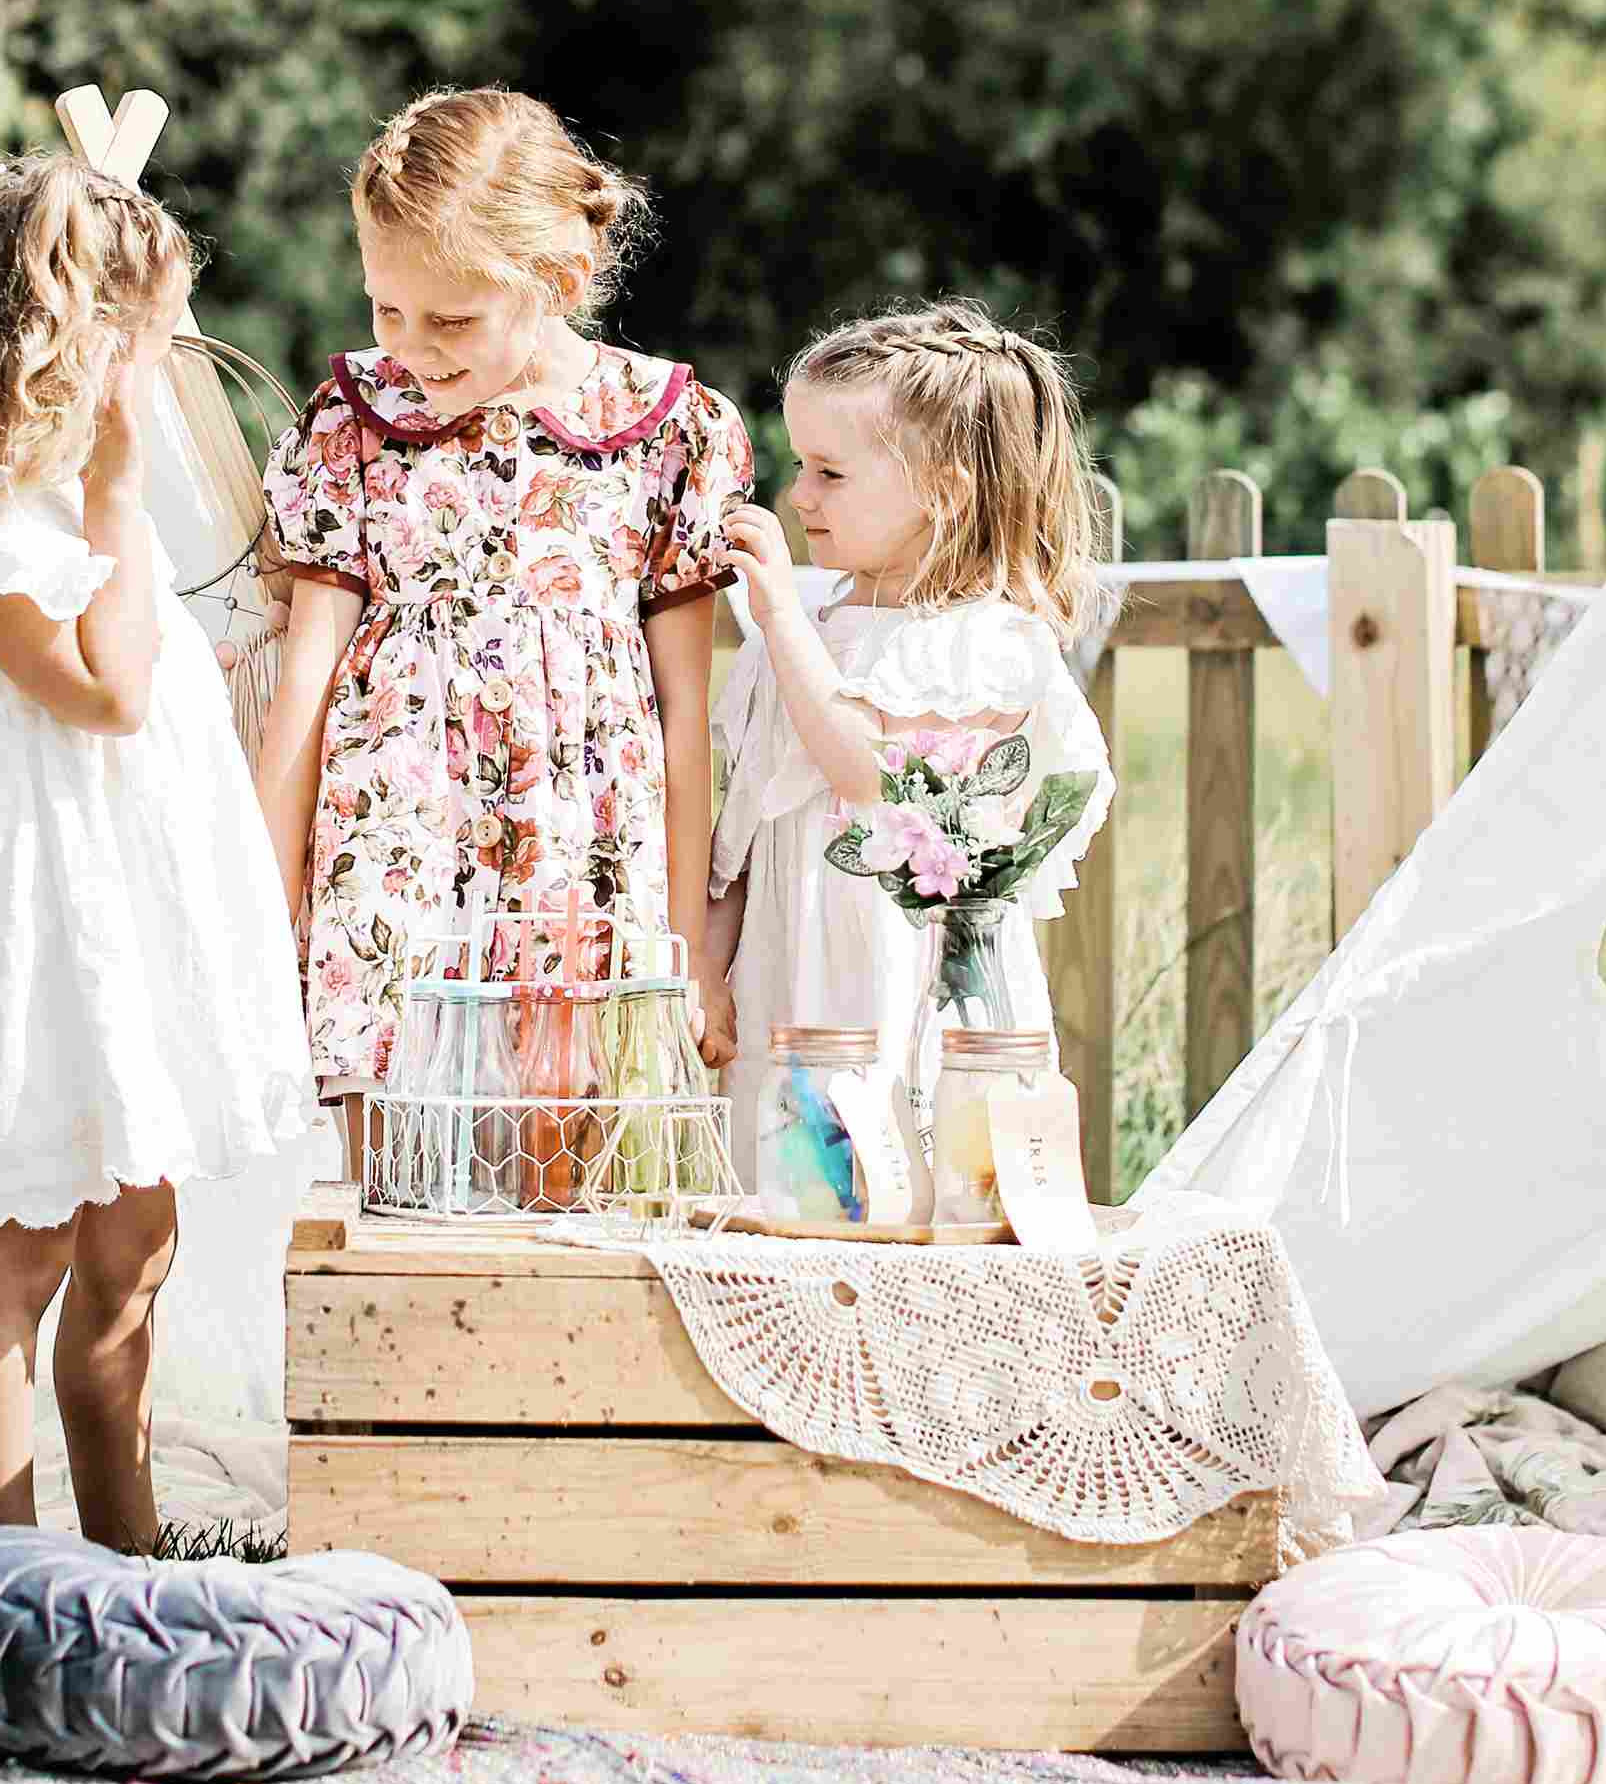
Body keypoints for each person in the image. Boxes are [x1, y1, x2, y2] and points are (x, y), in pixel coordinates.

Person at [0, 150, 319, 1541]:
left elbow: (155, 679)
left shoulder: (76, 496)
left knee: (138, 1241)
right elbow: (101, 691)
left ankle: (128, 1544)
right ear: (62, 339)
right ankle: (5, 1564)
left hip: (142, 891)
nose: (165, 365)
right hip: (47, 914)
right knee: (25, 1243)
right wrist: (115, 485)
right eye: (150, 336)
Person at [254, 87, 750, 1120]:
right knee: (394, 1160)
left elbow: (684, 719)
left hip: (583, 851)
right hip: (399, 843)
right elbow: (304, 679)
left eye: (449, 318)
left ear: (559, 281)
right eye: (385, 308)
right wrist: (266, 901)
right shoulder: (355, 421)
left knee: (567, 1152)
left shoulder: (666, 432)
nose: (412, 346)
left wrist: (689, 947)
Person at [704, 301, 1113, 1175]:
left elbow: (870, 779)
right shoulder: (806, 633)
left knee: (898, 1182)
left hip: (897, 980)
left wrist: (779, 615)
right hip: (785, 977)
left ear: (944, 490)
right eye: (799, 466)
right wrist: (708, 967)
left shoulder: (983, 643)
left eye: (830, 473)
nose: (798, 494)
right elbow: (738, 833)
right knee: (785, 1192)